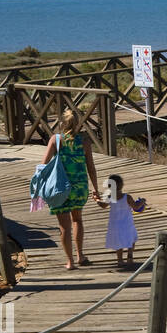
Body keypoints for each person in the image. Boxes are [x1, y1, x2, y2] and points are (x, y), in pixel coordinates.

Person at [40, 108, 99, 270]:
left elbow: (43, 165)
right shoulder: (85, 142)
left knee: (64, 225)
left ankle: (70, 261)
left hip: (61, 188)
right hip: (80, 188)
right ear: (77, 124)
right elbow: (91, 168)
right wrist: (95, 188)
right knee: (77, 219)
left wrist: (39, 187)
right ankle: (80, 255)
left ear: (62, 124)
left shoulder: (56, 140)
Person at [96, 174, 144, 268]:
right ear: (122, 185)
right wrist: (142, 201)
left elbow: (103, 206)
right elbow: (136, 207)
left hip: (115, 224)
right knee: (131, 239)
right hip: (127, 223)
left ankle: (120, 260)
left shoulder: (110, 197)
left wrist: (97, 199)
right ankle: (130, 257)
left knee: (118, 243)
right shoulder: (127, 197)